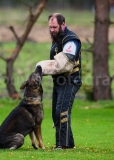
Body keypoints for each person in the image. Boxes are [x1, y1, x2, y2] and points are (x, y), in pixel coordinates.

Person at [36, 13, 82, 149]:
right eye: (50, 27)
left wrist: (43, 68)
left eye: (54, 27)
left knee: (61, 111)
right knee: (57, 113)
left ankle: (63, 145)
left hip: (70, 81)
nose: (52, 30)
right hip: (60, 82)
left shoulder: (71, 40)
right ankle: (68, 144)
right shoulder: (58, 38)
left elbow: (64, 63)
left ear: (63, 24)